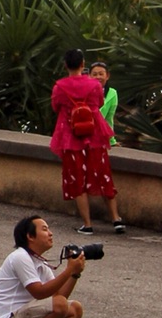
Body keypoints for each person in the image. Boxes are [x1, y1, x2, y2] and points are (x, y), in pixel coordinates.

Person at [0, 214, 87, 318]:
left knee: (75, 309)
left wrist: (74, 274)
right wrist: (68, 270)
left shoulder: (40, 262)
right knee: (59, 304)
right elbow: (39, 292)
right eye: (45, 229)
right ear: (30, 236)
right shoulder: (20, 256)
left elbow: (60, 295)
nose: (50, 233)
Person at [51, 48, 123, 234]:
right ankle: (116, 219)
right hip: (95, 135)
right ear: (83, 64)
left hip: (70, 137)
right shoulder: (94, 85)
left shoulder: (60, 87)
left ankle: (88, 224)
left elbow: (56, 106)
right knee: (103, 175)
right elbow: (99, 103)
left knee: (77, 180)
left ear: (66, 65)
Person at [91, 62, 119, 144]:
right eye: (94, 74)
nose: (98, 77)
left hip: (98, 138)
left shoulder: (112, 93)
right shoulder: (85, 90)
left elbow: (109, 119)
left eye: (101, 74)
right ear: (90, 76)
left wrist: (111, 141)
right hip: (82, 133)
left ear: (107, 76)